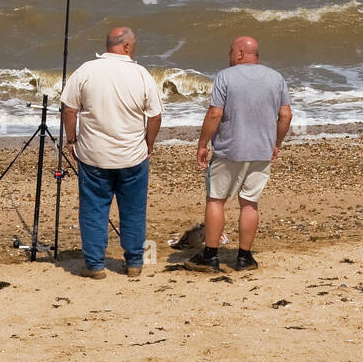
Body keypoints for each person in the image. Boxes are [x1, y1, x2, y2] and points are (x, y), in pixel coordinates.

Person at [60, 26, 162, 280]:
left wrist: (71, 140)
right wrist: (149, 145)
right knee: (133, 209)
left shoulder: (86, 70)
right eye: (134, 44)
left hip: (93, 155)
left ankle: (95, 265)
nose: (135, 48)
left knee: (93, 209)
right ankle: (134, 263)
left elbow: (69, 109)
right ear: (126, 46)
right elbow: (155, 115)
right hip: (132, 155)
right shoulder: (140, 74)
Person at [186, 35, 292, 273]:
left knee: (216, 199)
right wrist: (276, 143)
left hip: (229, 149)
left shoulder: (225, 76)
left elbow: (215, 113)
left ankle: (210, 255)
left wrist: (202, 144)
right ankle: (244, 258)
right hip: (261, 150)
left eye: (231, 51)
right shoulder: (276, 78)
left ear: (241, 53)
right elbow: (286, 115)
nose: (229, 56)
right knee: (249, 203)